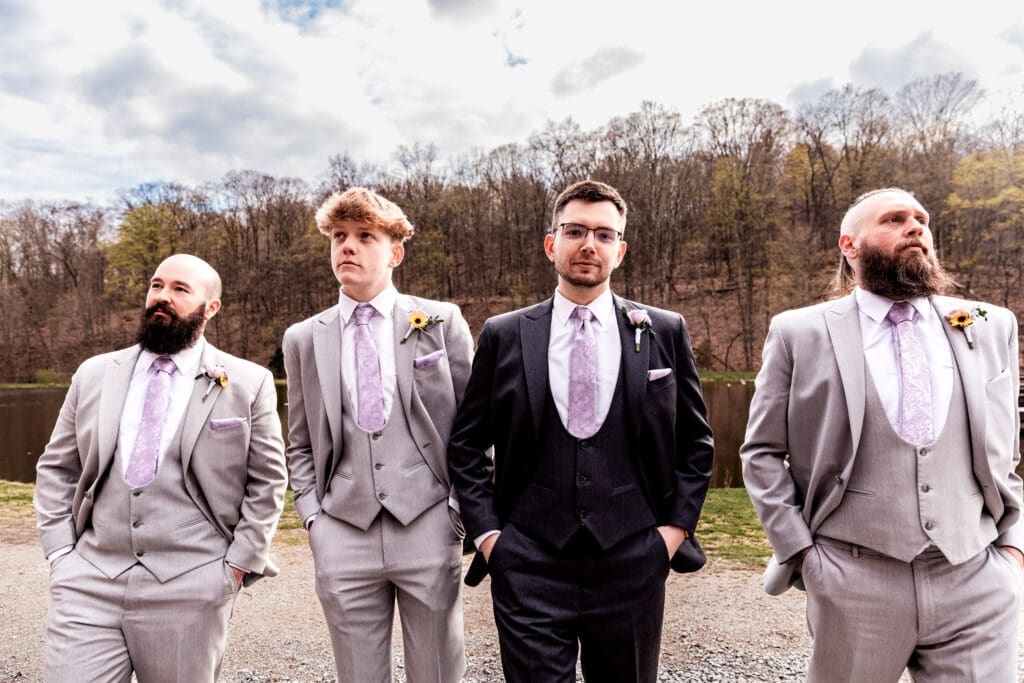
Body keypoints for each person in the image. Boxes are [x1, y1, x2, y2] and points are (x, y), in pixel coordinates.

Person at [741, 187, 1024, 681]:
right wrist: (806, 556)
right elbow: (762, 453)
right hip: (853, 580)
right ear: (849, 245)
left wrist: (1013, 549)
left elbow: (1005, 449)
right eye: (894, 219)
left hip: (976, 577)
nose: (915, 227)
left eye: (921, 219)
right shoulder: (798, 332)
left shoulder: (988, 324)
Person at [448, 179, 714, 682]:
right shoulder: (505, 333)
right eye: (575, 231)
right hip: (527, 562)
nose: (589, 244)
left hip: (634, 560)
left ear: (620, 250)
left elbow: (696, 444)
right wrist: (489, 537)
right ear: (552, 244)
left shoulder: (664, 329)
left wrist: (671, 535)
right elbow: (466, 444)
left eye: (604, 234)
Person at [34, 253, 288, 682]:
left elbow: (267, 483)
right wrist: (61, 553)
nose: (162, 298)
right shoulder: (94, 373)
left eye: (180, 290)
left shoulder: (248, 381)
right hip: (89, 578)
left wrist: (235, 568)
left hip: (192, 583)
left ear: (211, 309)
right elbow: (58, 466)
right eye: (156, 285)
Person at [283, 187, 473, 683]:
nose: (348, 246)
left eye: (365, 236)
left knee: (437, 671)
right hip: (342, 527)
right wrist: (313, 519)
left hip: (429, 520)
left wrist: (457, 508)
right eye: (339, 236)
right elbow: (300, 441)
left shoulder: (440, 321)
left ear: (395, 252)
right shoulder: (304, 337)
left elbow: (476, 426)